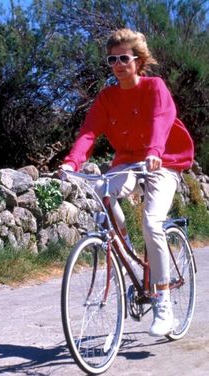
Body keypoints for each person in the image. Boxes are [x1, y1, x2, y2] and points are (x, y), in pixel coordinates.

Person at [60, 28, 194, 337]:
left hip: (163, 161)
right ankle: (124, 246)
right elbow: (89, 132)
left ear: (139, 60)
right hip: (129, 162)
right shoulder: (107, 97)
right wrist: (72, 161)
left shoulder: (155, 87)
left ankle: (163, 303)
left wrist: (155, 152)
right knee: (101, 192)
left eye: (124, 58)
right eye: (112, 59)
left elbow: (161, 119)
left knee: (152, 223)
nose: (118, 64)